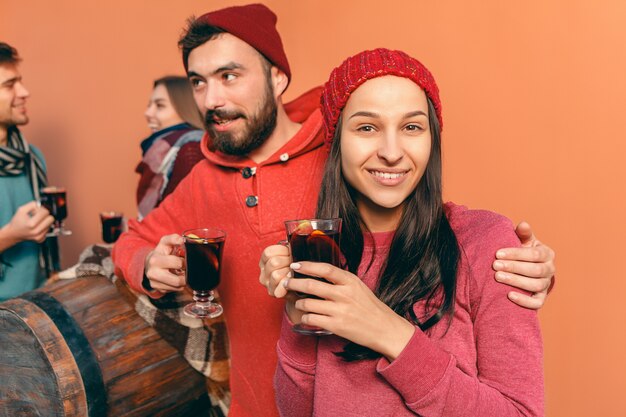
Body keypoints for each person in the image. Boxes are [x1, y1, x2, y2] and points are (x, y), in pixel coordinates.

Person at [112, 5, 554, 417]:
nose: (211, 100)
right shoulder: (204, 179)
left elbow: (442, 236)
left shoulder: (345, 152)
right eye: (198, 82)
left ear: (276, 77)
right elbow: (133, 238)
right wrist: (147, 265)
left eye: (229, 76)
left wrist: (521, 267)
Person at [260, 49, 543, 416]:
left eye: (411, 127)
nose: (391, 152)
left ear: (432, 138)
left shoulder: (486, 242)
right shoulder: (317, 252)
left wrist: (390, 333)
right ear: (337, 143)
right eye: (366, 127)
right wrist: (296, 320)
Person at [0, 42, 54, 301]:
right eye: (10, 85)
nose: (25, 92)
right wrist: (10, 236)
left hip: (38, 302)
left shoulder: (33, 157)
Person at [136, 75, 204, 219]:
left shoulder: (191, 150)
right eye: (149, 105)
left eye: (160, 105)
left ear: (185, 108)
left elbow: (181, 219)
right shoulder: (162, 149)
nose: (147, 113)